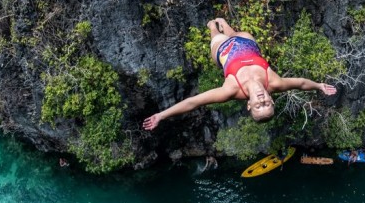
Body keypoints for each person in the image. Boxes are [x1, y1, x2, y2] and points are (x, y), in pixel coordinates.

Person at [142, 18, 337, 130]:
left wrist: (162, 115)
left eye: (258, 106)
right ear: (271, 99)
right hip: (248, 43)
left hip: (223, 50)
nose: (262, 100)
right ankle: (224, 22)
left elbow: (194, 102)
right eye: (266, 104)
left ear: (249, 104)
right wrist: (319, 85)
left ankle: (212, 25)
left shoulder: (231, 90)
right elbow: (302, 83)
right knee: (233, 31)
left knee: (215, 33)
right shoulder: (275, 83)